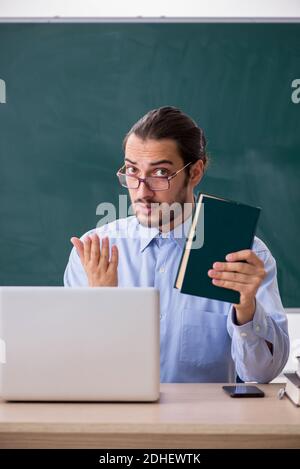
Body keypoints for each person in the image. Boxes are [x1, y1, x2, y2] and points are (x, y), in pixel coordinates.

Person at [64, 106, 289, 383]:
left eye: (160, 173)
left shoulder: (243, 254)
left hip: (205, 424)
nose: (142, 191)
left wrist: (246, 309)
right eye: (132, 171)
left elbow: (260, 375)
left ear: (195, 172)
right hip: (118, 422)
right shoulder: (94, 251)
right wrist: (104, 305)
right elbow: (76, 370)